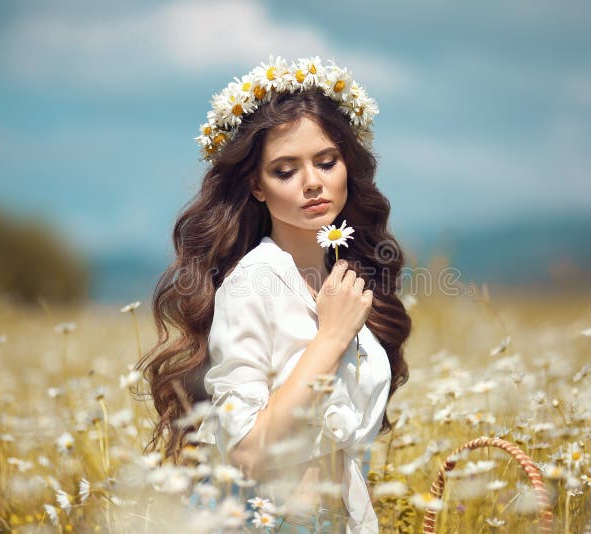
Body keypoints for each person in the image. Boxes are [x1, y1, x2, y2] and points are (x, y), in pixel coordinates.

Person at [137, 56, 411, 533]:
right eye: (285, 171)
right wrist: (330, 338)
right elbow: (247, 453)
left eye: (327, 162)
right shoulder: (251, 283)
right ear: (256, 187)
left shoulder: (345, 278)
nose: (312, 182)